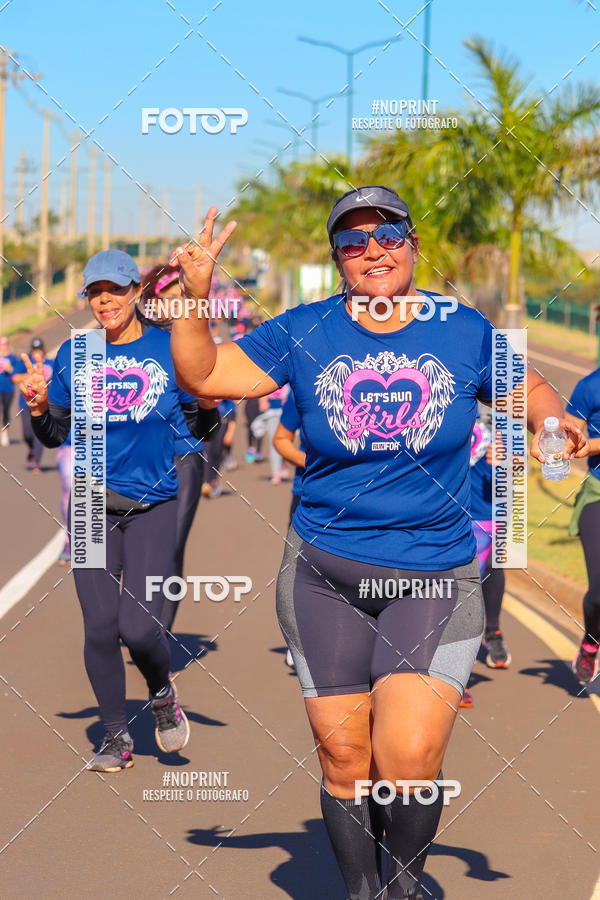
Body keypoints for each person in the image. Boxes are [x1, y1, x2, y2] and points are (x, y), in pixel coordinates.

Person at [169, 194, 588, 899]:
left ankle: (403, 880)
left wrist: (556, 421)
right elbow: (203, 377)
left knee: (410, 757)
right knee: (343, 757)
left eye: (387, 235)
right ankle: (366, 891)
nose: (373, 251)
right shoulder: (305, 331)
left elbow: (531, 389)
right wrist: (193, 296)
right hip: (323, 573)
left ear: (413, 243)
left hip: (434, 573)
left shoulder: (460, 329)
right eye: (353, 243)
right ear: (337, 260)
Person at [23, 249, 216, 772]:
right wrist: (39, 410)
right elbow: (54, 434)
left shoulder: (169, 349)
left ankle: (160, 692)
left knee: (139, 629)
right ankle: (114, 736)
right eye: (95, 292)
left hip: (153, 503)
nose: (105, 300)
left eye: (115, 290)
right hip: (88, 503)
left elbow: (201, 423)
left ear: (136, 292)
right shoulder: (76, 354)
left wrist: (208, 410)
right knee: (99, 627)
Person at [461, 416, 510, 708]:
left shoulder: (502, 396)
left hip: (485, 513)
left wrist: (505, 461)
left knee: (476, 583)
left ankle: (491, 632)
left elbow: (519, 466)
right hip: (440, 510)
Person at [566, 373, 600, 683]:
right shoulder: (589, 386)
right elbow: (566, 432)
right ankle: (591, 643)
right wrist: (565, 443)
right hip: (597, 496)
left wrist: (594, 445)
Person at [12, 337, 52, 473]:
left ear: (43, 350)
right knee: (27, 434)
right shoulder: (25, 363)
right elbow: (14, 378)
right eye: (34, 350)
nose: (37, 353)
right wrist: (28, 378)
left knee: (38, 434)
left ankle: (37, 463)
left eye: (39, 350)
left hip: (43, 406)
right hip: (25, 404)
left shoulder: (51, 363)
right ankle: (32, 449)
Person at [0, 335, 17, 447]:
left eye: (5, 343)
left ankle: (4, 432)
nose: (3, 346)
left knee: (5, 412)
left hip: (8, 389)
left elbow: (18, 373)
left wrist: (10, 369)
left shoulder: (13, 358)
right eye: (1, 344)